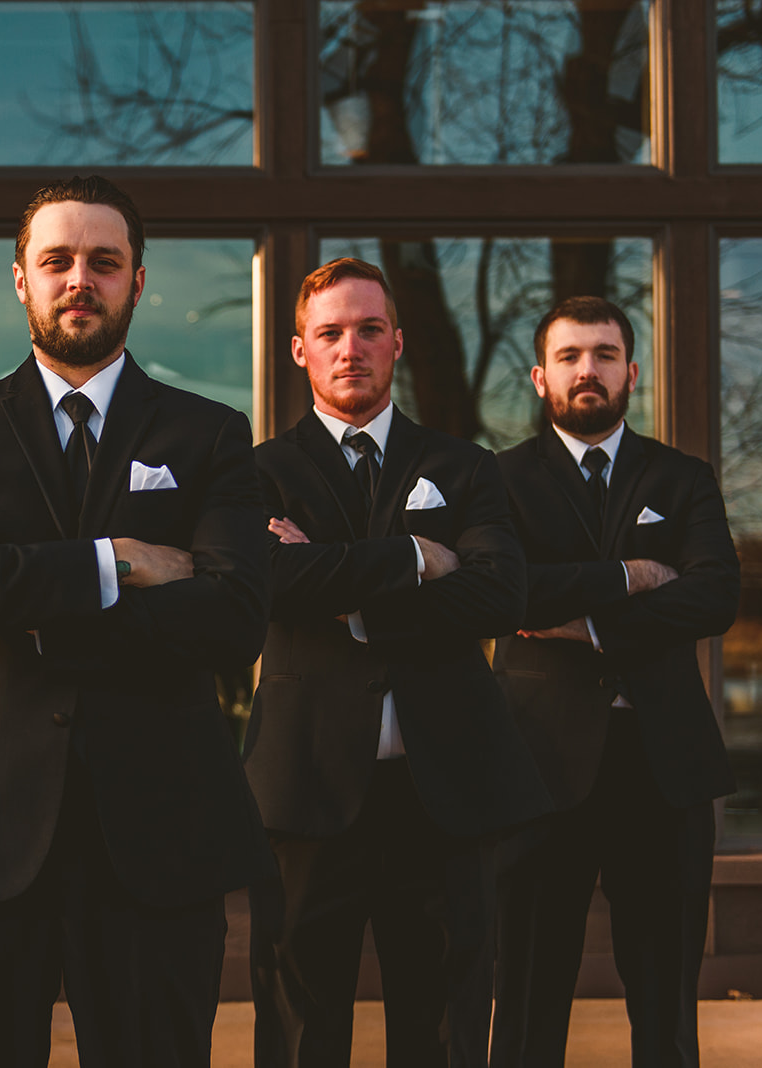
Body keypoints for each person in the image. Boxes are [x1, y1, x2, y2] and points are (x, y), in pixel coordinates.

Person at [0, 174, 274, 1067]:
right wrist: (119, 562)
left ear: (138, 281)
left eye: (104, 262)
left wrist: (12, 587)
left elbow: (232, 620)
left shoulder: (211, 435)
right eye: (56, 260)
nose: (79, 280)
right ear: (19, 279)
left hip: (159, 830)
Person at [245, 258, 551, 1067]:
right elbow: (266, 584)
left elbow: (501, 598)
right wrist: (416, 556)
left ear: (399, 343)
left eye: (370, 330)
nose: (352, 348)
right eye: (331, 333)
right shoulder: (259, 473)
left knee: (446, 1026)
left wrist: (340, 587)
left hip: (444, 788)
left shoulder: (464, 466)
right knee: (298, 1024)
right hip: (305, 789)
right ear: (299, 350)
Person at [489, 297, 739, 1068]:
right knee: (528, 991)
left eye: (603, 354)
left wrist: (589, 624)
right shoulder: (498, 481)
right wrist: (629, 578)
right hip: (540, 766)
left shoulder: (683, 477)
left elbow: (715, 594)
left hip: (662, 766)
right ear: (540, 377)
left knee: (666, 1001)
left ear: (632, 372)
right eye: (569, 356)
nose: (586, 370)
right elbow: (507, 593)